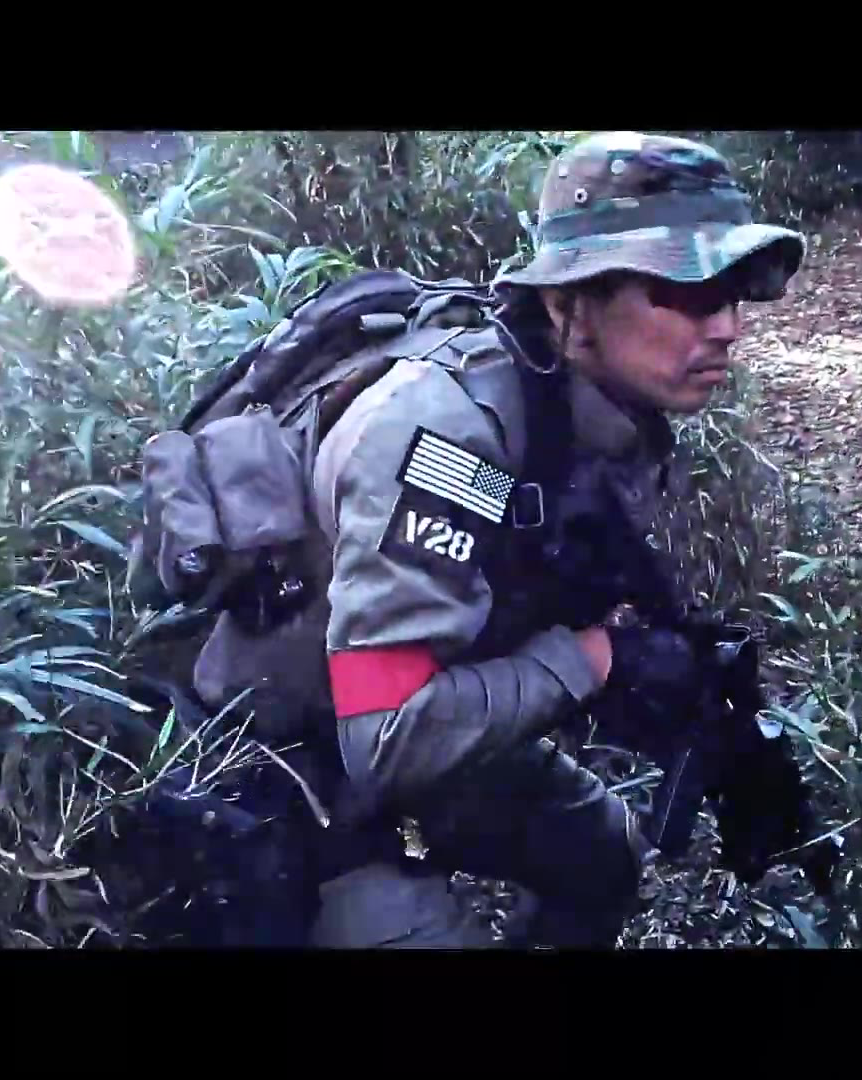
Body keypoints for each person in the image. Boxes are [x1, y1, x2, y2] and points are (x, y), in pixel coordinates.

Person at [296, 131, 808, 948]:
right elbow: (384, 737)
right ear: (571, 304)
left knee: (603, 855)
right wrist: (597, 661)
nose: (727, 328)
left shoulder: (590, 410)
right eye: (686, 291)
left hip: (416, 719)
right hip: (299, 765)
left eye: (735, 294)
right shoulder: (448, 435)